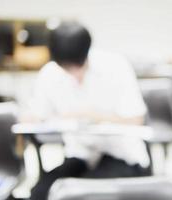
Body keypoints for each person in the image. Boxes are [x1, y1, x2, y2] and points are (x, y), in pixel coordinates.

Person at [29, 22, 150, 200]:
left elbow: (136, 118)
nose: (75, 74)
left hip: (121, 156)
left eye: (78, 67)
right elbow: (36, 115)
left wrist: (91, 115)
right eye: (67, 69)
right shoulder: (50, 74)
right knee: (40, 192)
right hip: (81, 155)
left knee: (83, 195)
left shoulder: (115, 66)